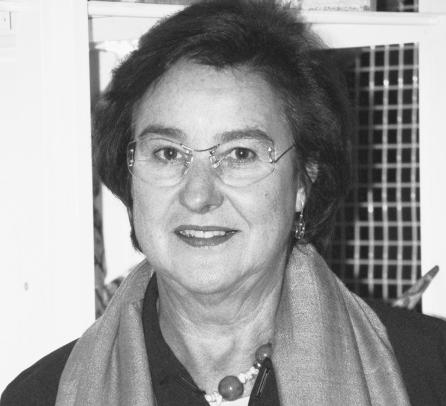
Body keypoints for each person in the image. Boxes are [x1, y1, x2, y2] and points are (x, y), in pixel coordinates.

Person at [2, 0, 446, 405]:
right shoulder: (39, 397)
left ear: (303, 182)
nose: (198, 195)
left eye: (240, 155)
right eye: (168, 153)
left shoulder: (430, 373)